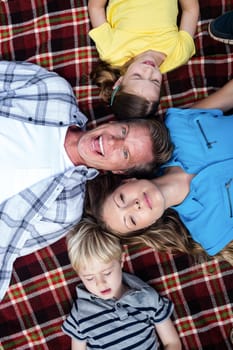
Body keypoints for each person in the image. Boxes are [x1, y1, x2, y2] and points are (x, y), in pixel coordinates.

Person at [0, 60, 173, 302]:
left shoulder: (64, 210)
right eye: (123, 132)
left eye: (124, 154)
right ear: (114, 122)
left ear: (122, 172)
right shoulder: (52, 91)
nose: (110, 142)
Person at [84, 79, 233, 266]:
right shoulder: (210, 232)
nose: (135, 205)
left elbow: (229, 95)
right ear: (147, 225)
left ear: (128, 181)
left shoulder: (176, 129)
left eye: (122, 199)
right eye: (131, 220)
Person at [62, 218, 181, 350]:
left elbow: (172, 343)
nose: (100, 284)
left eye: (107, 273)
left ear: (121, 261)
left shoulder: (147, 298)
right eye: (89, 278)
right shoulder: (81, 312)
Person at [88, 0, 199, 118]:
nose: (148, 70)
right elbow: (190, 10)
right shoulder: (179, 54)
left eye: (137, 76)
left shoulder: (111, 51)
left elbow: (96, 8)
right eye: (154, 81)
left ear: (120, 81)